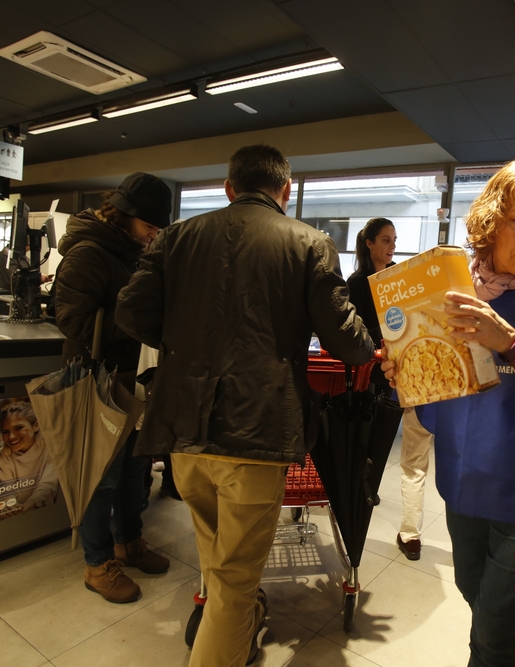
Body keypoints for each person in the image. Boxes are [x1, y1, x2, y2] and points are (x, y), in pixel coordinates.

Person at [115, 144, 373, 667]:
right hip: (256, 435)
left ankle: (243, 630)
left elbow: (130, 310)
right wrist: (370, 346)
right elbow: (347, 342)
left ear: (229, 188)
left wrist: (181, 346)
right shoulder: (310, 243)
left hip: (183, 433)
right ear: (285, 189)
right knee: (233, 582)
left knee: (218, 567)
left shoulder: (178, 237)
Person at [381, 157, 515, 667]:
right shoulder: (450, 292)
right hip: (464, 480)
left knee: (493, 636)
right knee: (473, 593)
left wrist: (509, 342)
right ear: (490, 224)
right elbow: (437, 383)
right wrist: (406, 370)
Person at [54, 172, 172, 604]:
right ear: (125, 216)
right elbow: (74, 321)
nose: (152, 235)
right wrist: (139, 324)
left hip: (131, 379)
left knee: (133, 471)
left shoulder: (134, 253)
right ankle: (97, 562)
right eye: (149, 226)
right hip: (95, 378)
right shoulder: (88, 254)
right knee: (100, 476)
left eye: (158, 229)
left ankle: (130, 541)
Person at [345, 217, 434, 561]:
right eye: (385, 239)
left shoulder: (399, 279)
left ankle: (381, 502)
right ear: (368, 243)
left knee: (398, 446)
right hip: (370, 371)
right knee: (365, 439)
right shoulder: (355, 282)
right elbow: (355, 332)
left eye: (394, 239)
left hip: (403, 371)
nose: (391, 245)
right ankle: (357, 489)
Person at [0, 401, 59, 515]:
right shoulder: (2, 456)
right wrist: (9, 505)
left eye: (18, 428)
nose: (11, 436)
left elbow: (48, 486)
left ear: (35, 426)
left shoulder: (51, 451)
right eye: (6, 432)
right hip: (12, 517)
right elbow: (6, 489)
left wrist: (29, 504)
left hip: (44, 515)